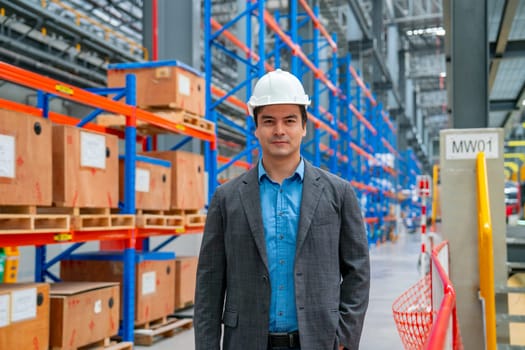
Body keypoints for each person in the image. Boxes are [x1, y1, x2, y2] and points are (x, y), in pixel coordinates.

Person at [194, 69, 370, 350]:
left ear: (304, 126)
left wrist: (345, 339)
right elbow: (209, 283)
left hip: (319, 340)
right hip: (246, 342)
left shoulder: (338, 193)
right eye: (268, 121)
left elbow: (357, 272)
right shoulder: (226, 198)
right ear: (256, 128)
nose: (279, 130)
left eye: (289, 120)